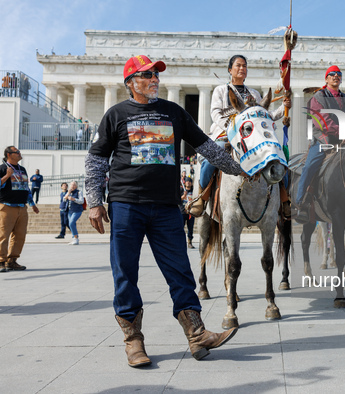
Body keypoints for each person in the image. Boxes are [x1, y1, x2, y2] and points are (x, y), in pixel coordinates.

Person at [85, 54, 243, 367]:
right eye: (147, 75)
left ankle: (197, 334)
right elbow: (96, 159)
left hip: (167, 206)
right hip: (126, 204)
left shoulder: (173, 112)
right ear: (131, 82)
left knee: (180, 272)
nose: (155, 80)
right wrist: (93, 200)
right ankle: (133, 340)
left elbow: (206, 145)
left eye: (156, 75)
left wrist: (238, 168)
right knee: (125, 273)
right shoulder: (116, 114)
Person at [193, 54, 290, 216]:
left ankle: (284, 199)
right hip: (225, 134)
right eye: (238, 65)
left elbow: (263, 116)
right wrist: (232, 129)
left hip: (249, 139)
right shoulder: (220, 90)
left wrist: (283, 108)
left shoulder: (253, 94)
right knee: (213, 156)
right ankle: (202, 198)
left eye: (244, 66)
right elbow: (215, 113)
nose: (242, 68)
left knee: (277, 156)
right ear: (230, 70)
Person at [294, 65, 345, 223]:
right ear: (326, 78)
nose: (336, 77)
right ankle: (301, 202)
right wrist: (342, 133)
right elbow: (322, 122)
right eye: (332, 75)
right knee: (310, 166)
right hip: (324, 140)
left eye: (338, 75)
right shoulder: (318, 97)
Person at [0, 146, 40, 272]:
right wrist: (7, 176)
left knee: (20, 236)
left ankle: (12, 261)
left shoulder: (22, 169)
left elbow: (25, 187)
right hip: (7, 206)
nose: (19, 153)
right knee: (3, 235)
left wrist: (32, 203)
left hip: (22, 207)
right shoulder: (2, 168)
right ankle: (1, 261)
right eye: (17, 152)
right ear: (9, 154)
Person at [64, 181, 84, 245]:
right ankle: (75, 238)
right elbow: (64, 200)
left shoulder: (79, 192)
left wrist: (74, 199)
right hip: (70, 211)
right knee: (72, 224)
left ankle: (76, 238)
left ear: (76, 186)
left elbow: (81, 201)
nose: (72, 186)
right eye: (71, 185)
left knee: (71, 223)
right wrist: (68, 193)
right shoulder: (69, 192)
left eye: (74, 185)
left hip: (77, 211)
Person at [181, 178, 195, 249]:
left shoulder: (194, 191)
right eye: (187, 182)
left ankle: (190, 242)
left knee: (190, 229)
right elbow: (178, 199)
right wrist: (183, 196)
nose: (188, 183)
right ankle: (180, 243)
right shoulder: (181, 190)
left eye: (190, 182)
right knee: (181, 228)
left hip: (191, 213)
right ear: (185, 183)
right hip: (182, 212)